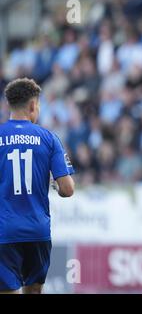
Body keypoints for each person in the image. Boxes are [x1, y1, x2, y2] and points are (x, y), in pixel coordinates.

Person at [0, 78, 75, 294]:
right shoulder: (49, 139)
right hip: (38, 231)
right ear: (33, 105)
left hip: (5, 231)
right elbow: (67, 189)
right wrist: (54, 184)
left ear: (9, 105)